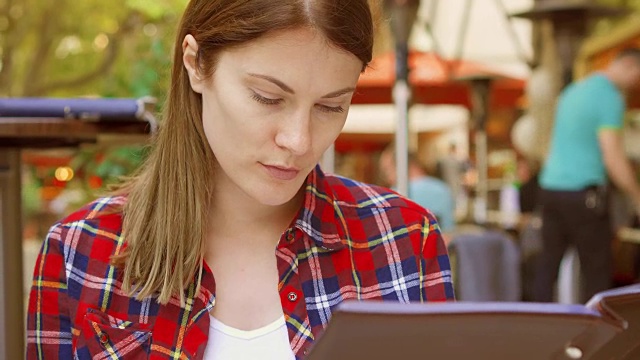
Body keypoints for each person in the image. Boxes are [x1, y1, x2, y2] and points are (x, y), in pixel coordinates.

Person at [25, 1, 455, 359]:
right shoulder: (79, 252)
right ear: (195, 64)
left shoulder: (403, 240)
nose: (299, 140)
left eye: (330, 106)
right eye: (267, 97)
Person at [534, 48, 640, 303]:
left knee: (547, 266)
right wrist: (636, 195)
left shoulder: (573, 91)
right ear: (629, 66)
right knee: (596, 273)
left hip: (551, 188)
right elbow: (612, 156)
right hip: (584, 193)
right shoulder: (609, 98)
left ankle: (534, 331)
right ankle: (596, 340)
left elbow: (551, 144)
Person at [378, 144, 456, 236]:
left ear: (402, 167)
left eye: (387, 170)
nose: (387, 178)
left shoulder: (396, 193)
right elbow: (448, 231)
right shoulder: (443, 188)